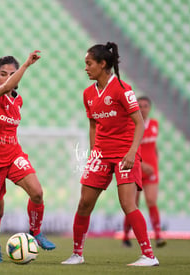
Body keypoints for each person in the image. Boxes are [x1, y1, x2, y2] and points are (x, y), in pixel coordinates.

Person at [61, 42, 159, 266]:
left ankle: (149, 256)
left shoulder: (123, 89)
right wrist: (93, 151)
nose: (85, 68)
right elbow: (93, 125)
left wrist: (133, 152)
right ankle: (77, 254)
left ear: (102, 64)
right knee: (84, 203)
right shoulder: (88, 94)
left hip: (125, 153)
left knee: (127, 204)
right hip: (101, 154)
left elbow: (140, 123)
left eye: (89, 64)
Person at [0, 51, 56, 263]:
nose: (8, 78)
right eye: (3, 74)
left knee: (37, 192)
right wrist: (26, 65)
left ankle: (35, 231)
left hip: (13, 155)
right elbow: (5, 87)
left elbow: (11, 90)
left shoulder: (17, 101)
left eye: (12, 73)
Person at [122, 96, 166, 248]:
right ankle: (126, 236)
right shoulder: (133, 124)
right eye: (139, 105)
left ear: (150, 108)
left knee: (152, 201)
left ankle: (159, 236)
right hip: (137, 166)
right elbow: (129, 147)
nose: (142, 108)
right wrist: (142, 163)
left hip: (151, 169)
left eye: (146, 105)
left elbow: (153, 146)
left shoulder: (154, 124)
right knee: (133, 203)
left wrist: (155, 160)